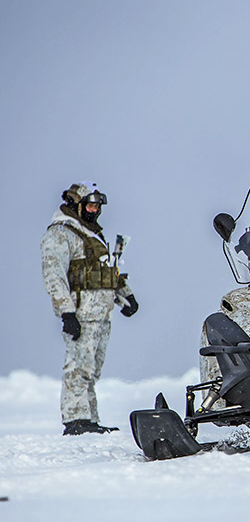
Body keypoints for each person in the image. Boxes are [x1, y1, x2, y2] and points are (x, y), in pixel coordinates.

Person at [41, 182, 138, 435]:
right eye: (90, 205)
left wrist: (126, 296)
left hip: (102, 313)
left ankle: (89, 420)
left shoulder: (92, 234)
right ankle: (75, 420)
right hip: (82, 314)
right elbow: (54, 275)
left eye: (97, 206)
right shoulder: (61, 233)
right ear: (77, 204)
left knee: (92, 371)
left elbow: (105, 272)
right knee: (78, 367)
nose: (95, 210)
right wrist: (66, 312)